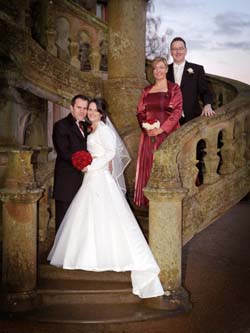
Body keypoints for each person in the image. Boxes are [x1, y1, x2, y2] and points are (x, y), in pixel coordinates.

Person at [48, 98, 164, 299]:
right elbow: (69, 151)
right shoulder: (87, 128)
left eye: (93, 109)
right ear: (74, 108)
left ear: (102, 114)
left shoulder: (103, 130)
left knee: (105, 215)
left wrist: (91, 166)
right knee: (85, 216)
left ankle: (105, 255)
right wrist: (87, 164)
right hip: (88, 178)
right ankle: (82, 254)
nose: (90, 112)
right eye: (87, 109)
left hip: (97, 176)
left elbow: (111, 152)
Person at [134, 57, 183, 207]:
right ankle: (149, 201)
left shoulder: (174, 88)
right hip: (149, 136)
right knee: (150, 163)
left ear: (167, 69)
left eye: (161, 67)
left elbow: (177, 112)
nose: (158, 71)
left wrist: (161, 129)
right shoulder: (146, 91)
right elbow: (140, 112)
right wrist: (146, 128)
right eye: (155, 68)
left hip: (168, 134)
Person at [52, 94, 89, 231]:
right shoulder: (61, 126)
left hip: (86, 183)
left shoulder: (87, 126)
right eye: (79, 107)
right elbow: (64, 152)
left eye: (85, 108)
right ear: (71, 107)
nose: (82, 111)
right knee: (64, 224)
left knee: (81, 224)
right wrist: (84, 164)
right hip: (67, 183)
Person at [167, 36, 215, 125]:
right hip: (170, 120)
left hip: (192, 119)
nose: (177, 52)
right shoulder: (164, 70)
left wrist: (208, 105)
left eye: (180, 48)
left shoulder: (197, 70)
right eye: (174, 49)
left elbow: (205, 91)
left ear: (185, 50)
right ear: (171, 52)